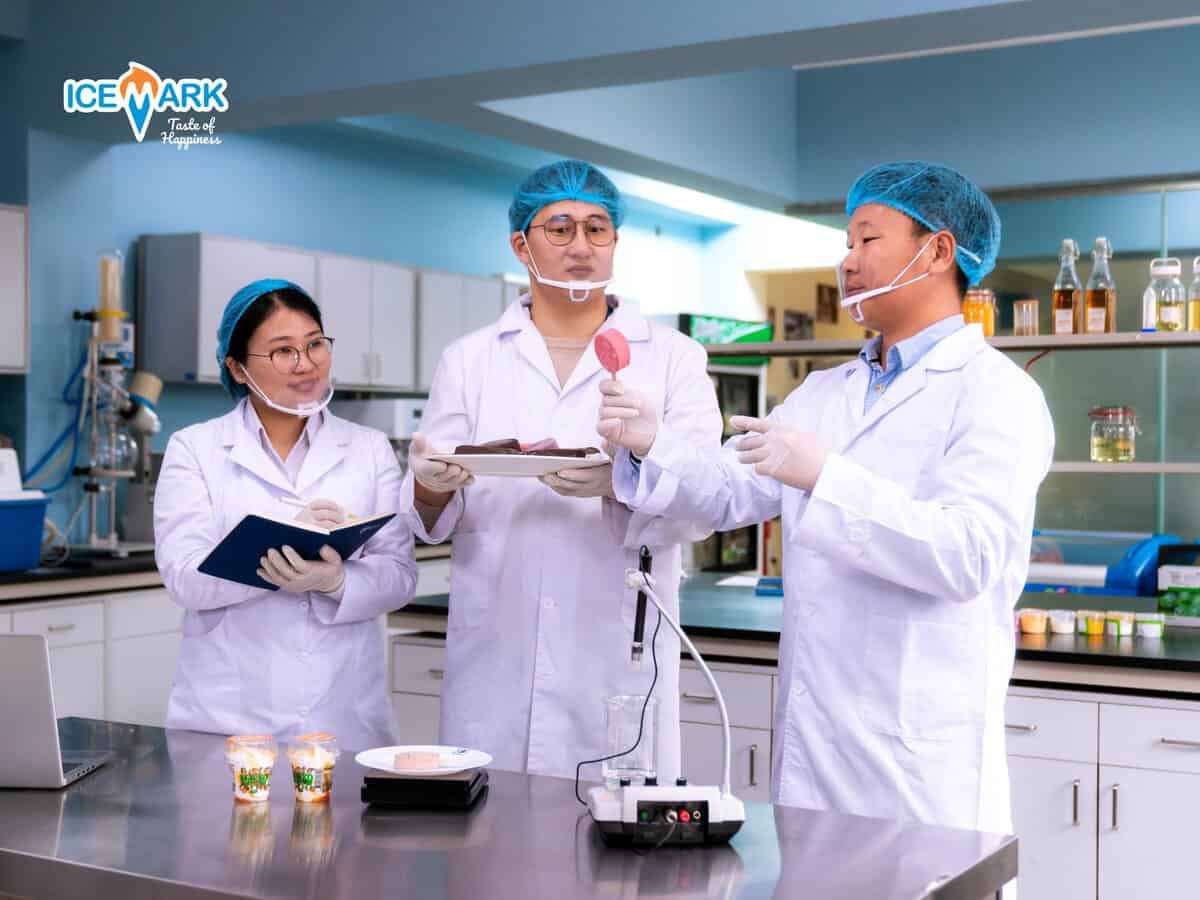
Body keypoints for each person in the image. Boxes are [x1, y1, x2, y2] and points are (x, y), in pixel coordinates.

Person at [600, 161, 1055, 835]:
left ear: (937, 251)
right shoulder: (823, 393)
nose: (847, 262)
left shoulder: (996, 394)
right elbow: (729, 491)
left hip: (920, 763)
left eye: (867, 240)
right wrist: (652, 443)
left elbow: (970, 555)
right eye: (847, 243)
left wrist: (827, 478)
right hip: (816, 748)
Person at [402, 159, 723, 780]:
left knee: (614, 851)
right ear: (521, 243)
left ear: (616, 243)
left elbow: (708, 498)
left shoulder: (675, 357)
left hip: (615, 649)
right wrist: (430, 484)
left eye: (597, 228)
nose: (581, 245)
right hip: (498, 645)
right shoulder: (470, 359)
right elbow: (427, 516)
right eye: (560, 228)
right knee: (488, 857)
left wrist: (624, 481)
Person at [155, 278, 415, 747]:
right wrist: (274, 563)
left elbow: (399, 576)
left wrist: (334, 581)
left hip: (344, 716)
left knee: (345, 820)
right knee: (230, 821)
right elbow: (183, 576)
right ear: (236, 368)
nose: (306, 363)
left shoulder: (370, 449)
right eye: (282, 351)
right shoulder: (195, 448)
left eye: (315, 344)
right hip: (228, 719)